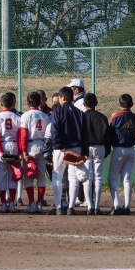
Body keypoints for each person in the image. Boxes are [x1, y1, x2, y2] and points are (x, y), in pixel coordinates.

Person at [49, 86, 89, 216]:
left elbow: (55, 131)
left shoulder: (58, 112)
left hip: (61, 149)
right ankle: (71, 207)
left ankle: (59, 207)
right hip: (76, 148)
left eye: (60, 97)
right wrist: (85, 152)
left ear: (63, 97)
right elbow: (85, 134)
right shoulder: (80, 113)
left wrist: (60, 146)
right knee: (73, 178)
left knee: (57, 176)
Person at [107, 94, 135, 215]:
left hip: (119, 149)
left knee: (112, 178)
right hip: (131, 149)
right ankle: (127, 207)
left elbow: (110, 131)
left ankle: (117, 206)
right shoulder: (134, 116)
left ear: (120, 104)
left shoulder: (116, 116)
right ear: (131, 104)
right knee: (127, 179)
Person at [19, 91, 51, 213]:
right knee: (41, 176)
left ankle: (32, 204)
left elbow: (23, 135)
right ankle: (39, 204)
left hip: (30, 146)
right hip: (42, 145)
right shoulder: (46, 116)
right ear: (40, 102)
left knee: (28, 177)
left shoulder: (25, 115)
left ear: (28, 103)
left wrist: (23, 151)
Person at [0, 92, 21, 213]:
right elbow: (20, 136)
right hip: (14, 145)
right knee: (13, 176)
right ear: (13, 104)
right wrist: (20, 151)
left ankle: (4, 204)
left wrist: (0, 151)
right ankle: (12, 204)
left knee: (2, 175)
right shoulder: (18, 118)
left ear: (1, 104)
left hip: (2, 145)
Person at [82, 93, 111, 215]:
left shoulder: (81, 116)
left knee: (88, 178)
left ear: (84, 104)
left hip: (86, 148)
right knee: (98, 177)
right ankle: (97, 206)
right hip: (100, 147)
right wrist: (107, 150)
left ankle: (90, 206)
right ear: (96, 103)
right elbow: (107, 136)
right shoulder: (102, 117)